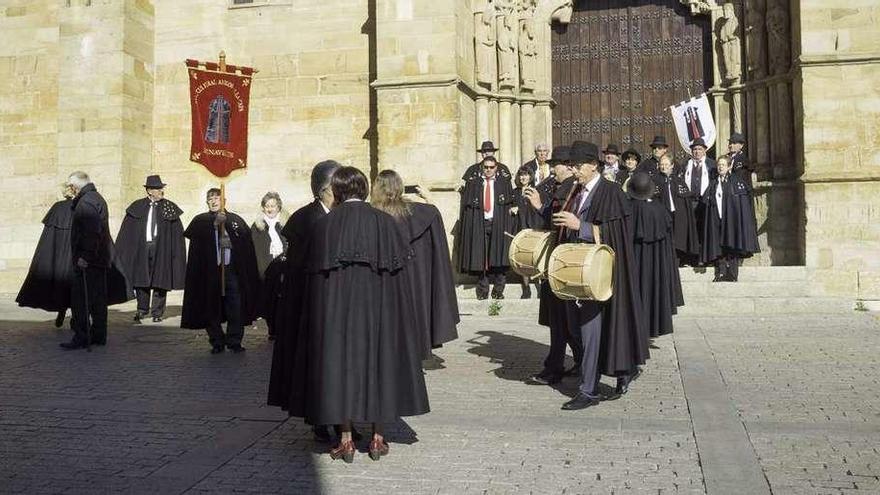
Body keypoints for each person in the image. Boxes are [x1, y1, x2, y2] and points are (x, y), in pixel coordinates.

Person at [302, 166, 429, 462]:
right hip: (379, 312)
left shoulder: (325, 225)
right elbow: (400, 276)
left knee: (340, 367)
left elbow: (314, 280)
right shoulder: (385, 223)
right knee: (379, 364)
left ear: (338, 191)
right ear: (362, 189)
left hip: (336, 314)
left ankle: (345, 438)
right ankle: (377, 438)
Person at [551, 141, 647, 409]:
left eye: (578, 166)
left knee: (592, 329)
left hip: (603, 275)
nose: (574, 170)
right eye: (572, 166)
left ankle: (589, 390)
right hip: (578, 273)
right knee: (581, 329)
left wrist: (579, 225)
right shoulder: (575, 191)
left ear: (594, 165)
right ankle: (622, 369)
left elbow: (617, 235)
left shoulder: (611, 192)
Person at [267, 160, 344, 444]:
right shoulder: (305, 220)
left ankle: (342, 421)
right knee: (314, 368)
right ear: (321, 190)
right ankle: (321, 422)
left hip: (334, 304)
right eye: (335, 188)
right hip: (310, 305)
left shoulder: (338, 214)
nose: (338, 193)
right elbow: (301, 267)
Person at [371, 170, 459, 357]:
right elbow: (432, 215)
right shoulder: (423, 213)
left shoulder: (374, 217)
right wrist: (428, 198)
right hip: (417, 278)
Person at [521, 145, 583, 385]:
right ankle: (577, 361)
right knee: (562, 320)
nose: (551, 169)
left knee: (563, 320)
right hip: (558, 261)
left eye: (554, 165)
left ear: (567, 166)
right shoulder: (562, 187)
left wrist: (539, 206)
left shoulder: (569, 188)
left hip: (563, 263)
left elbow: (559, 222)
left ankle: (558, 366)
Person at [181, 188, 260, 354]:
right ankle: (216, 340)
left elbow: (245, 244)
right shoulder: (200, 221)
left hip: (231, 270)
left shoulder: (235, 220)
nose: (214, 201)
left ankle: (234, 340)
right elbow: (198, 246)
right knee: (211, 306)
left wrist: (229, 241)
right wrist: (215, 226)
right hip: (209, 271)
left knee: (235, 306)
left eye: (217, 197)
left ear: (224, 200)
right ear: (207, 202)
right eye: (210, 198)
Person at [115, 175, 186, 324]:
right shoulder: (137, 206)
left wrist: (175, 252)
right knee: (141, 279)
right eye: (157, 189)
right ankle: (142, 309)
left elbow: (177, 232)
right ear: (149, 191)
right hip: (142, 247)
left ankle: (157, 312)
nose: (161, 191)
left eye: (161, 188)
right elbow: (127, 230)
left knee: (161, 280)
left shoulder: (169, 207)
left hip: (162, 248)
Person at [626, 172, 683, 339]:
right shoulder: (660, 209)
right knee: (653, 290)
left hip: (634, 260)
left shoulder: (628, 209)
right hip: (656, 264)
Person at [61, 172, 113, 350]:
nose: (71, 189)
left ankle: (82, 336)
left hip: (89, 261)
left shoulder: (86, 202)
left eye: (71, 186)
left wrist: (85, 256)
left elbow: (92, 232)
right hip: (99, 259)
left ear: (76, 186)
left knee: (81, 300)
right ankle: (98, 335)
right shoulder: (96, 197)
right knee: (98, 299)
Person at [17, 183, 77, 327]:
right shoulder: (80, 207)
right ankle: (75, 319)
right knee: (74, 285)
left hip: (57, 254)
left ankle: (61, 314)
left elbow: (48, 237)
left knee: (62, 283)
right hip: (74, 252)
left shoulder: (57, 208)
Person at [458, 155, 515, 300]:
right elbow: (467, 206)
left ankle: (498, 291)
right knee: (481, 256)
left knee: (499, 254)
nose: (488, 170)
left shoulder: (504, 183)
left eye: (491, 167)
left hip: (498, 222)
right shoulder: (474, 183)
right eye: (486, 167)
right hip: (481, 222)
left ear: (496, 168)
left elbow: (510, 204)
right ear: (482, 167)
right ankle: (482, 291)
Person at [701, 156, 760, 282]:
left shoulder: (736, 182)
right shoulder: (714, 183)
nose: (720, 167)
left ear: (729, 167)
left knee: (732, 244)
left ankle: (732, 273)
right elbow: (707, 200)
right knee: (718, 245)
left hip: (732, 220)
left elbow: (741, 204)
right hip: (717, 219)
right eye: (719, 165)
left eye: (723, 165)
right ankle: (720, 273)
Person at [250, 191, 288, 340]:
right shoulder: (258, 226)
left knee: (283, 299)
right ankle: (272, 329)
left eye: (273, 206)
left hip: (284, 268)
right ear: (263, 208)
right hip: (265, 269)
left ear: (279, 207)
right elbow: (255, 248)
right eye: (267, 206)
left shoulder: (286, 223)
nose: (270, 209)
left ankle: (283, 328)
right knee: (269, 300)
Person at [654, 154, 701, 264]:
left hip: (678, 215)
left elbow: (686, 199)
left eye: (666, 164)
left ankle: (679, 259)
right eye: (661, 164)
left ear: (672, 166)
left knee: (679, 237)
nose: (663, 167)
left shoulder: (678, 180)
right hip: (662, 216)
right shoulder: (654, 180)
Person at [682, 138, 717, 265]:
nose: (697, 152)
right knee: (691, 231)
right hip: (690, 202)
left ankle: (705, 258)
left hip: (705, 203)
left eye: (699, 149)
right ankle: (692, 258)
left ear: (704, 150)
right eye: (695, 149)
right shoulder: (686, 164)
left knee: (705, 230)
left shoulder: (712, 164)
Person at [512, 165, 538, 298]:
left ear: (530, 177)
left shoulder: (534, 191)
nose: (523, 177)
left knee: (535, 257)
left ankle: (539, 287)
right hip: (519, 227)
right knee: (522, 259)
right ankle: (526, 288)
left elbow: (537, 209)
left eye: (526, 175)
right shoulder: (515, 192)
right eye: (521, 175)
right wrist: (512, 209)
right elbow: (509, 207)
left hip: (532, 228)